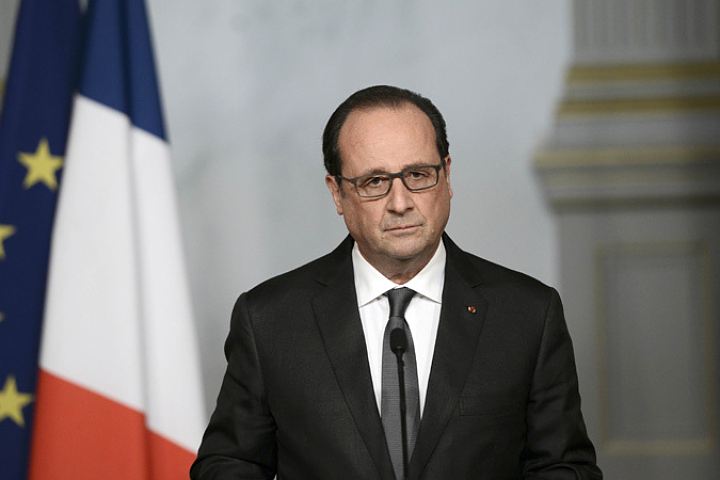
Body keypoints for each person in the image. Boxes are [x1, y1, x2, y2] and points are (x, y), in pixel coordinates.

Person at [190, 85, 602, 479]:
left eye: (418, 175)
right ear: (337, 193)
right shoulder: (270, 320)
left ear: (447, 176)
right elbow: (227, 466)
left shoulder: (528, 314)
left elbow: (565, 468)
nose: (400, 202)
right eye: (374, 182)